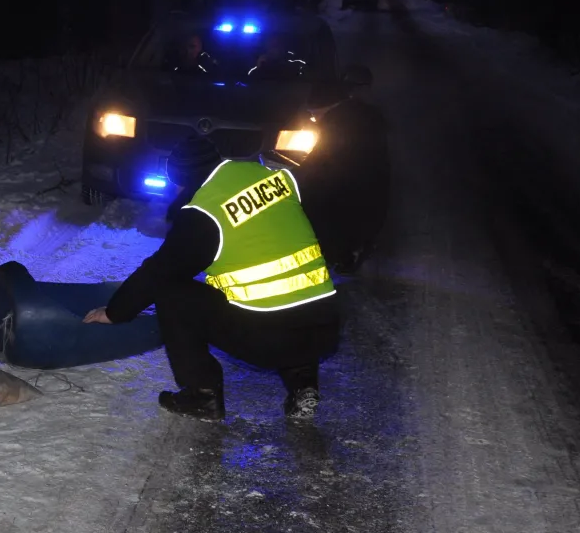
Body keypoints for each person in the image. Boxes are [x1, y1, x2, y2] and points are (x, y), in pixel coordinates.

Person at [83, 132, 341, 422]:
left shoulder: (205, 212)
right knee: (291, 302)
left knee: (173, 294)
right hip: (326, 326)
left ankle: (202, 395)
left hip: (270, 339)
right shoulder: (272, 176)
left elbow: (159, 271)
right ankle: (303, 383)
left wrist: (115, 312)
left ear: (182, 178)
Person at [296, 75, 389, 272]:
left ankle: (340, 258)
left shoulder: (334, 123)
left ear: (324, 107)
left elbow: (320, 158)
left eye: (313, 114)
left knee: (323, 210)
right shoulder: (367, 113)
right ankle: (357, 249)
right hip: (375, 181)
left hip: (347, 187)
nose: (313, 118)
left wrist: (297, 175)